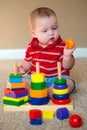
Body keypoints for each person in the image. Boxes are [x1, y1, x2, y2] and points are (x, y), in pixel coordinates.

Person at [18, 7, 76, 98]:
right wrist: (23, 68)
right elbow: (28, 62)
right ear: (33, 33)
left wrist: (67, 56)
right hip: (36, 78)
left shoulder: (63, 46)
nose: (51, 33)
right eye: (45, 31)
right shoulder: (31, 46)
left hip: (57, 78)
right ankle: (31, 90)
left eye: (54, 28)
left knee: (70, 83)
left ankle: (49, 92)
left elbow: (67, 66)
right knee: (22, 81)